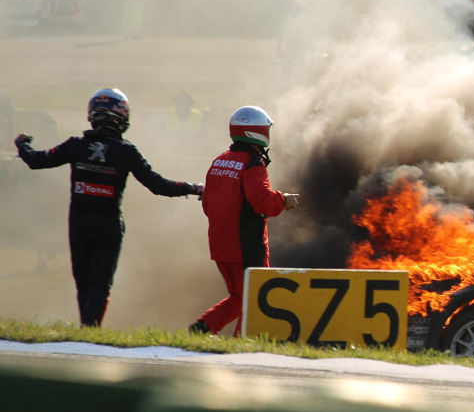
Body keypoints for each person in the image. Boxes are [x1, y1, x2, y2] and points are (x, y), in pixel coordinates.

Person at [13, 88, 203, 328]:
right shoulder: (126, 151)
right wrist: (193, 188)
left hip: (79, 223)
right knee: (100, 283)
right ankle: (89, 331)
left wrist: (22, 144)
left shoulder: (76, 145)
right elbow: (158, 185)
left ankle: (86, 331)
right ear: (122, 116)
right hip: (109, 224)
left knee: (82, 281)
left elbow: (36, 160)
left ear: (92, 114)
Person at [189, 105, 299, 336]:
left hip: (220, 245)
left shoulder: (220, 161)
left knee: (240, 296)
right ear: (257, 132)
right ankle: (241, 345)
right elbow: (261, 201)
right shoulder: (253, 163)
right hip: (245, 247)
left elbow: (208, 204)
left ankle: (203, 328)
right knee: (254, 297)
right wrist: (283, 200)